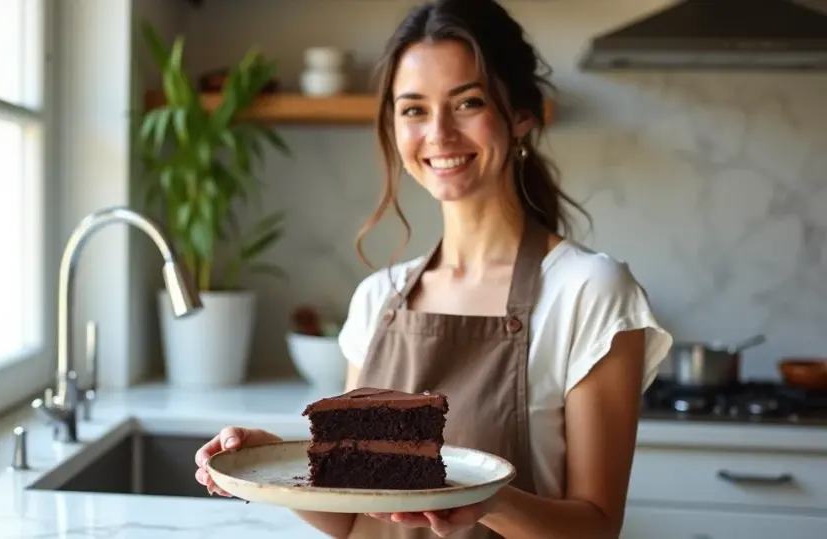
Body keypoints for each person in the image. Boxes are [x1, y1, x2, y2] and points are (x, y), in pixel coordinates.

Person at [193, 0, 673, 537]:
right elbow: (351, 518)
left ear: (520, 115)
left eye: (467, 102)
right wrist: (268, 461)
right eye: (414, 109)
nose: (439, 134)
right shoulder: (379, 297)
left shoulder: (590, 293)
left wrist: (484, 502)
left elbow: (597, 529)